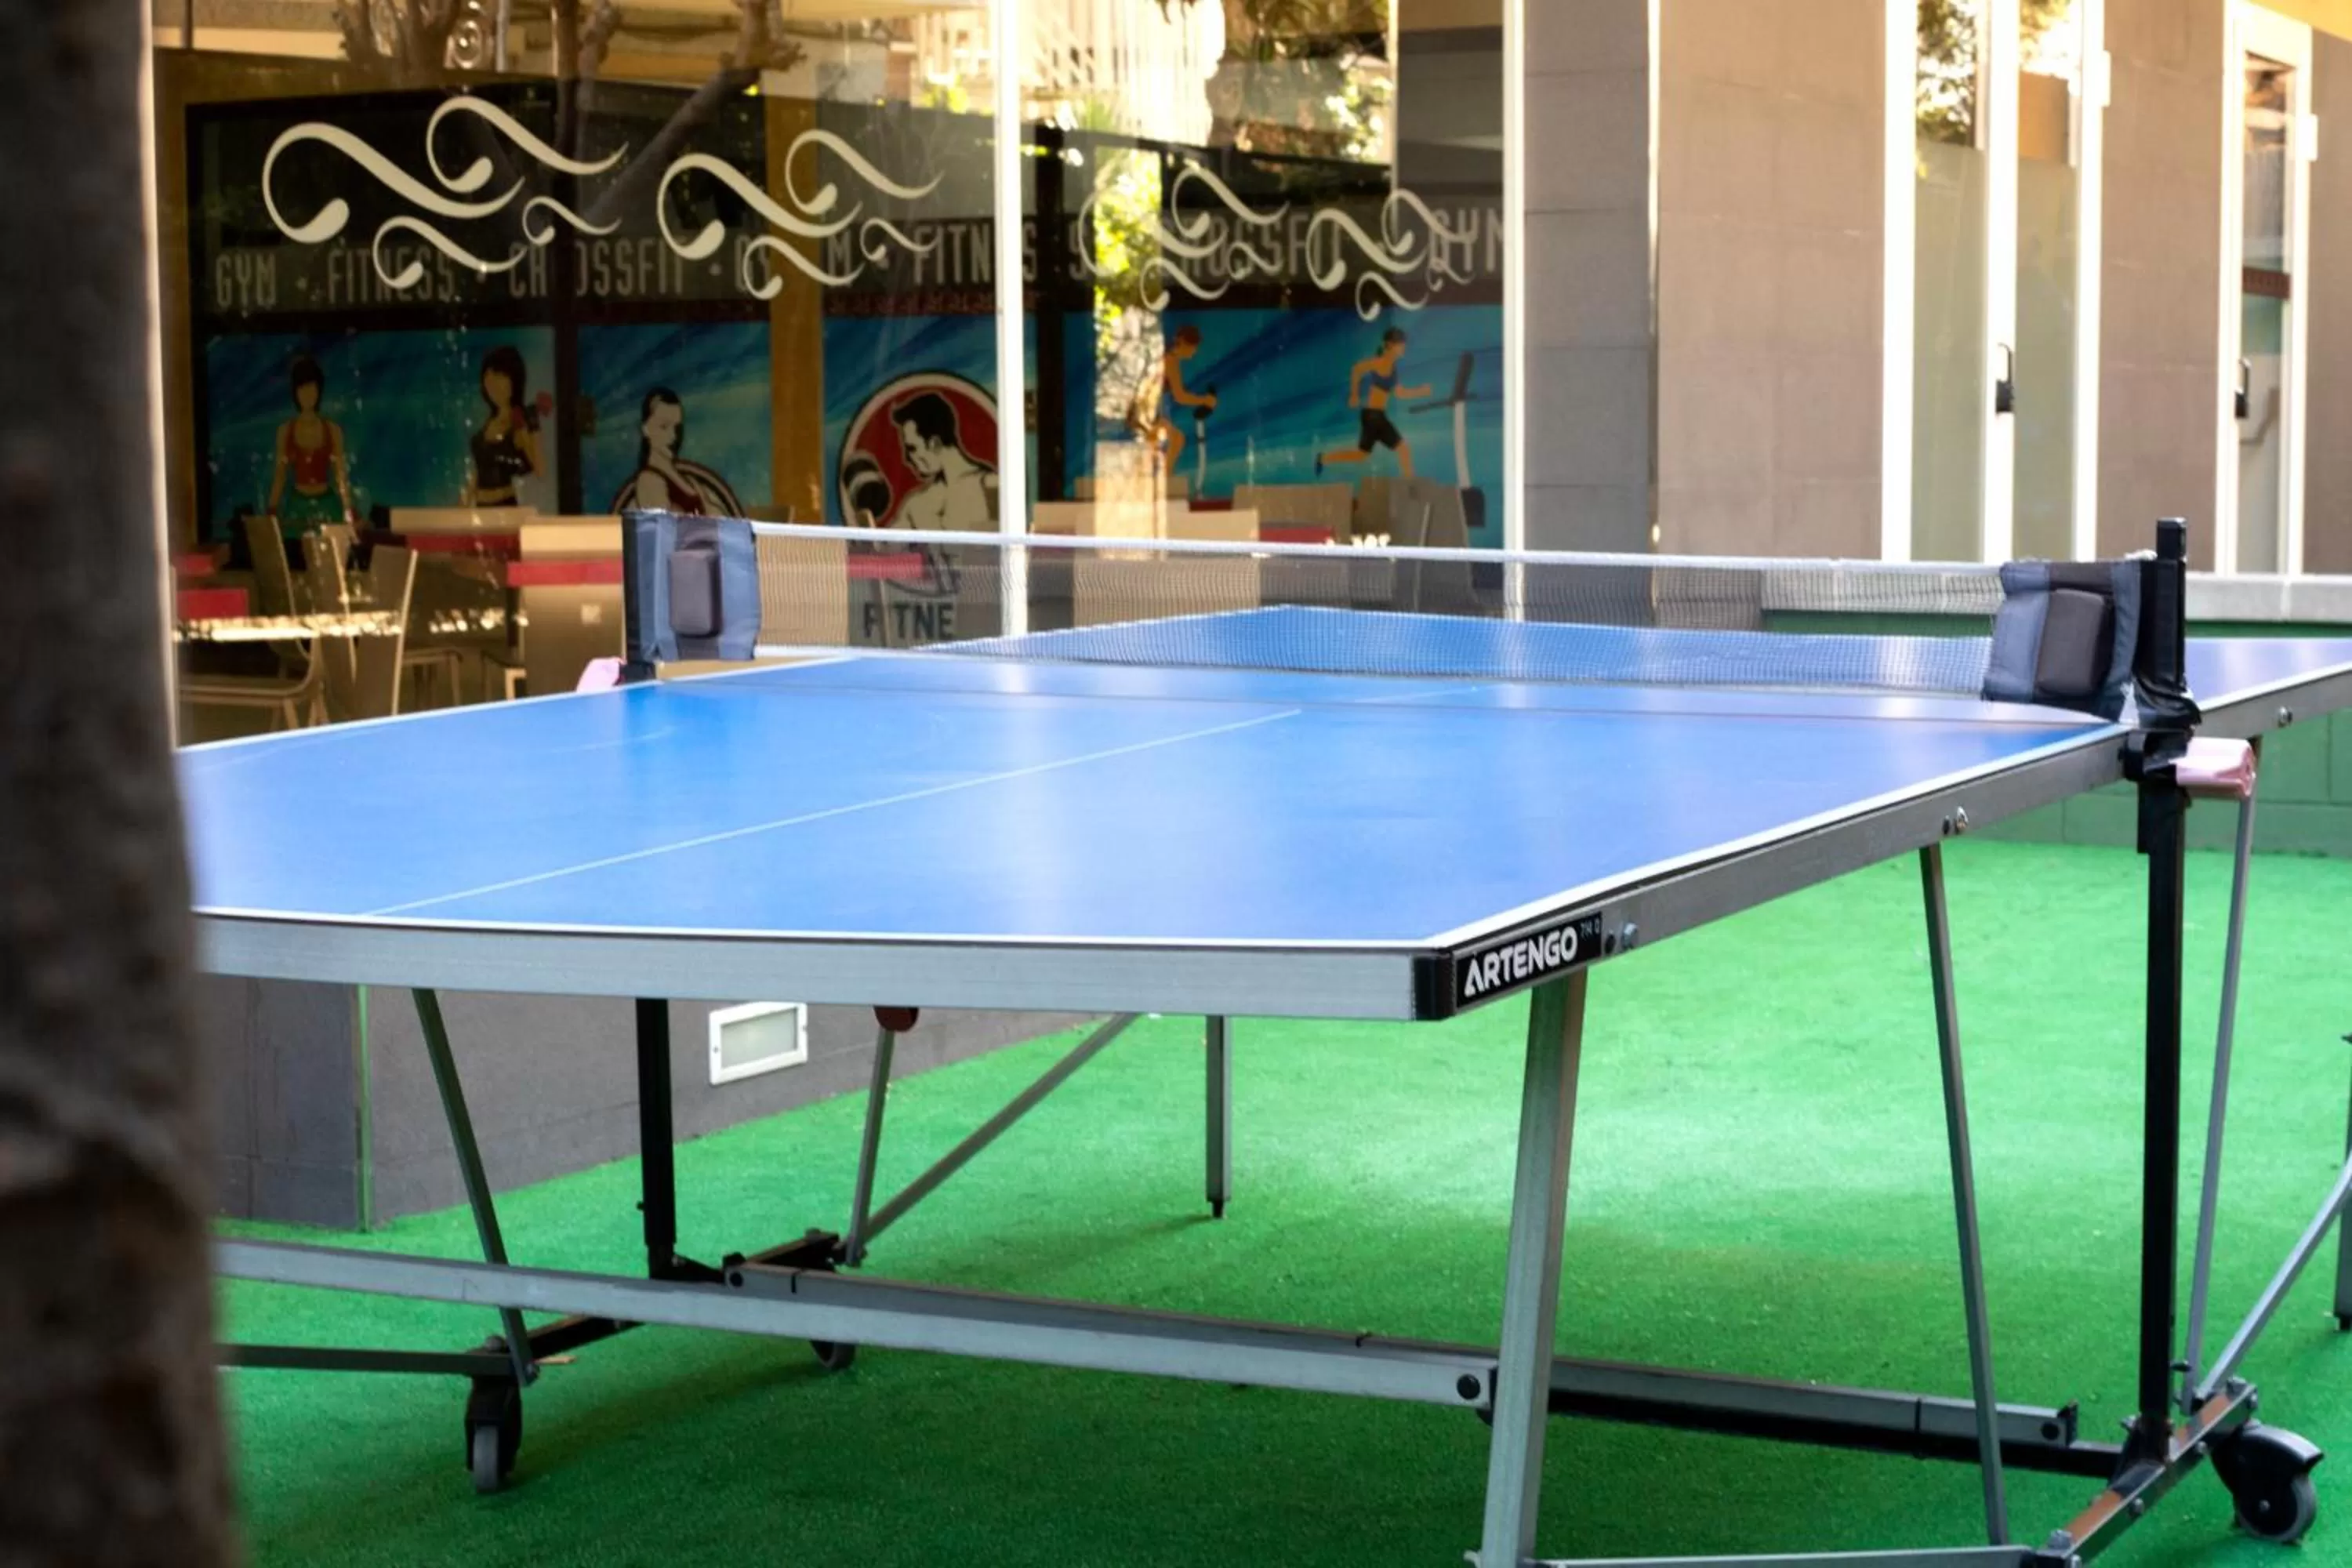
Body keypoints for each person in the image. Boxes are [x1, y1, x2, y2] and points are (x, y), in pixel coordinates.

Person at [1317, 326, 1431, 480]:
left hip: (1376, 416)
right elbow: (1357, 369)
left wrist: (1420, 392)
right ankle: (1410, 486)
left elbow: (1399, 393)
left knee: (1362, 455)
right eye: (1401, 344)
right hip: (1373, 416)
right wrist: (1354, 395)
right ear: (1390, 345)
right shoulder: (1378, 362)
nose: (1404, 347)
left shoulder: (1393, 369)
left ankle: (1323, 458)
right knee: (1403, 450)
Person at [265, 355, 355, 546]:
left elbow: (340, 476)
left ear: (319, 390)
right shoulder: (285, 431)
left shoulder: (333, 430)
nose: (308, 394)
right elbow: (280, 477)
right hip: (296, 507)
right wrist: (271, 513)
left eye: (312, 388)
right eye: (302, 388)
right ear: (295, 392)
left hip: (328, 506)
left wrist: (350, 512)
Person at [610, 387, 743, 517]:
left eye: (677, 427)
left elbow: (715, 514)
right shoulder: (649, 482)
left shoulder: (687, 479)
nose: (673, 436)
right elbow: (668, 532)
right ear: (646, 429)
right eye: (664, 427)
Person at [891, 390, 996, 531]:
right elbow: (890, 546)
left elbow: (964, 547)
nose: (907, 459)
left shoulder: (989, 484)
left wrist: (921, 515)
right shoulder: (922, 498)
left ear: (934, 443)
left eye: (912, 448)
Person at [1128, 323, 1215, 474]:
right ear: (1184, 344)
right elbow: (1180, 396)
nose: (1194, 352)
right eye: (1193, 347)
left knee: (1164, 442)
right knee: (1176, 439)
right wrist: (1205, 400)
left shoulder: (1167, 358)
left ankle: (1158, 478)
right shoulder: (1170, 360)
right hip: (1143, 412)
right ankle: (1164, 479)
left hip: (1145, 410)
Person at [466, 345, 540, 507]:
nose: (491, 381)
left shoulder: (520, 421)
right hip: (481, 507)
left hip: (504, 506)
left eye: (499, 375)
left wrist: (525, 438)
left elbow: (539, 468)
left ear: (514, 380)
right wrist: (463, 502)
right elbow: (480, 469)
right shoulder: (489, 422)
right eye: (488, 375)